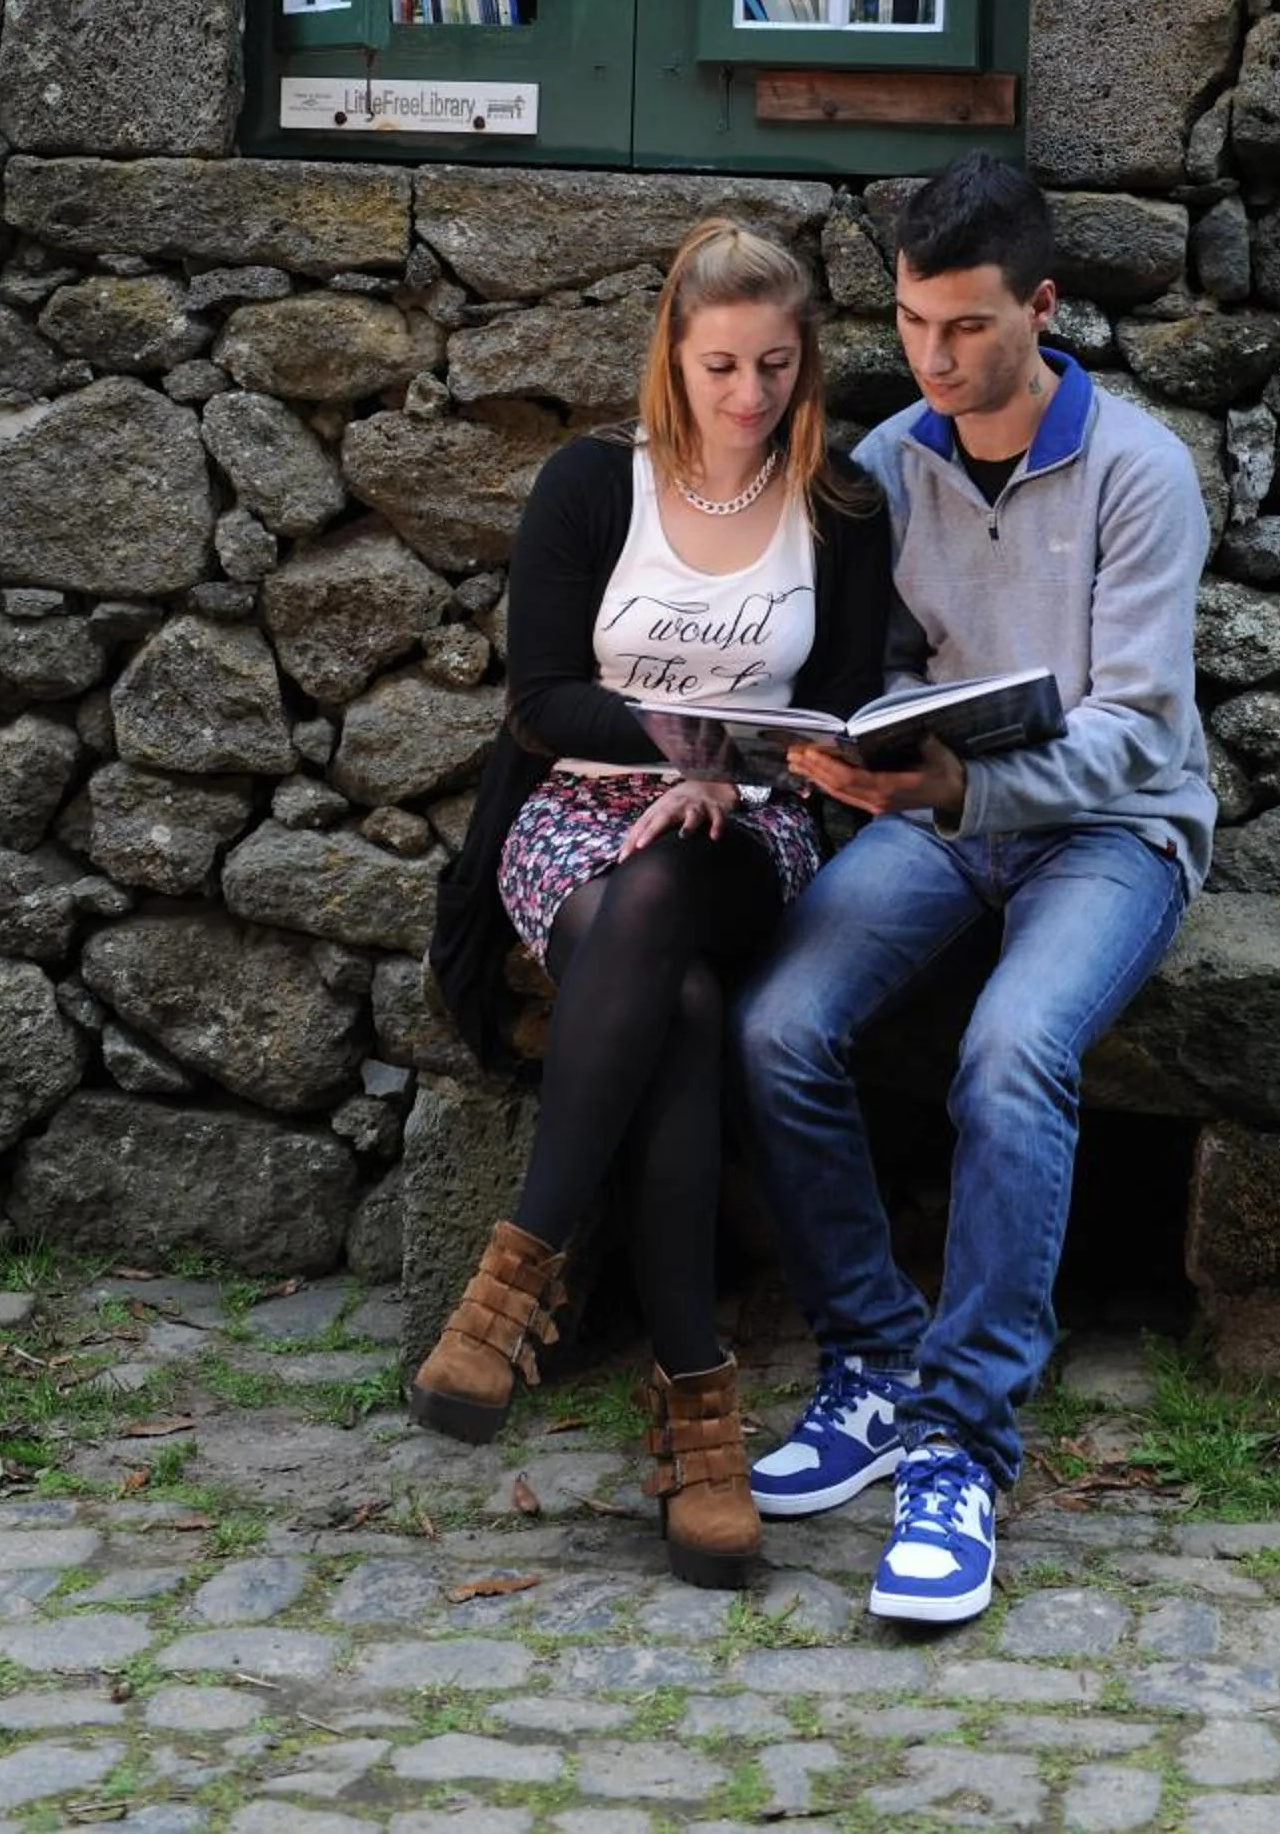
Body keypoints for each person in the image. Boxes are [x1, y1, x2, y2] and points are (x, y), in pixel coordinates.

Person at [735, 154, 1214, 1625]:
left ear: (1043, 309)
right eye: (912, 324)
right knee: (777, 1028)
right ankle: (875, 1361)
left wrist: (966, 787)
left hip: (1117, 833)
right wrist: (847, 761)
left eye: (967, 328)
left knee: (1013, 1057)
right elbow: (865, 675)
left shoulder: (1140, 469)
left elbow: (1137, 724)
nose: (934, 360)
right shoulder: (888, 465)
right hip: (941, 818)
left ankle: (961, 1444)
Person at [415, 217, 890, 1588]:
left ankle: (517, 1276)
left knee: (674, 889)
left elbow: (846, 709)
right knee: (669, 986)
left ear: (807, 364)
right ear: (672, 360)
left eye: (778, 367)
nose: (750, 398)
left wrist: (733, 775)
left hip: (754, 825)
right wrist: (665, 749)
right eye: (722, 366)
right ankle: (700, 1415)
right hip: (578, 811)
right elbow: (542, 696)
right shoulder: (588, 486)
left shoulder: (842, 509)